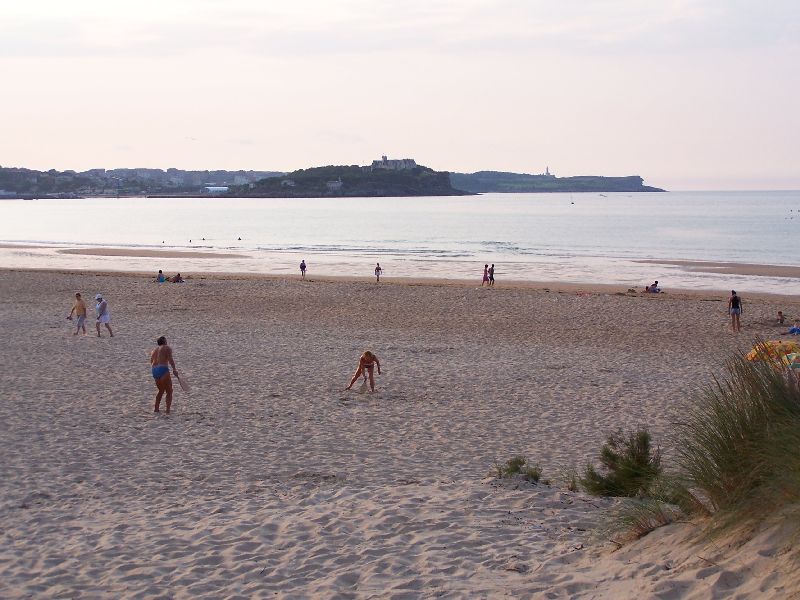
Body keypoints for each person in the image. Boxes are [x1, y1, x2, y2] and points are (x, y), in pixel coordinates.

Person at [150, 336, 179, 414]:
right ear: (165, 341)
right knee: (169, 391)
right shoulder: (167, 348)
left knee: (161, 390)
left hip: (154, 370)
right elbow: (170, 359)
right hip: (162, 368)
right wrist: (174, 369)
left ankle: (156, 409)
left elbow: (151, 362)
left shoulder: (154, 351)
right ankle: (168, 411)